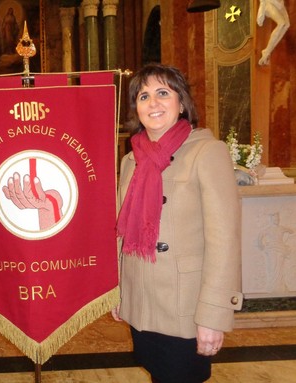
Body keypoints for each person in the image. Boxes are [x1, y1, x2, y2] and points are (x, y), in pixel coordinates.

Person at [112, 63, 244, 383]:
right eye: (144, 96)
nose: (153, 103)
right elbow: (121, 234)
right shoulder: (131, 160)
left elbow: (224, 241)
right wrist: (117, 293)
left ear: (181, 103)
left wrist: (213, 316)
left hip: (186, 307)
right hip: (142, 303)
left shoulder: (207, 152)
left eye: (162, 93)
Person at [257, 0, 290, 66]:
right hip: (269, 3)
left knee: (287, 25)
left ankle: (267, 50)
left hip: (279, 4)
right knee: (281, 23)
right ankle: (266, 52)